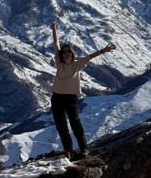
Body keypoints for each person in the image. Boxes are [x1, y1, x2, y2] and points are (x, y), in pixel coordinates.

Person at [50, 20, 116, 160]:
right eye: (64, 52)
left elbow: (90, 56)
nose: (66, 53)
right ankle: (68, 150)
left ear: (72, 53)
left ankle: (84, 148)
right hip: (56, 97)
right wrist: (54, 29)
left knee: (75, 122)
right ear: (61, 55)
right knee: (61, 125)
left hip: (71, 98)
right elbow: (56, 44)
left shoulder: (78, 64)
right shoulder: (59, 63)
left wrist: (104, 50)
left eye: (69, 51)